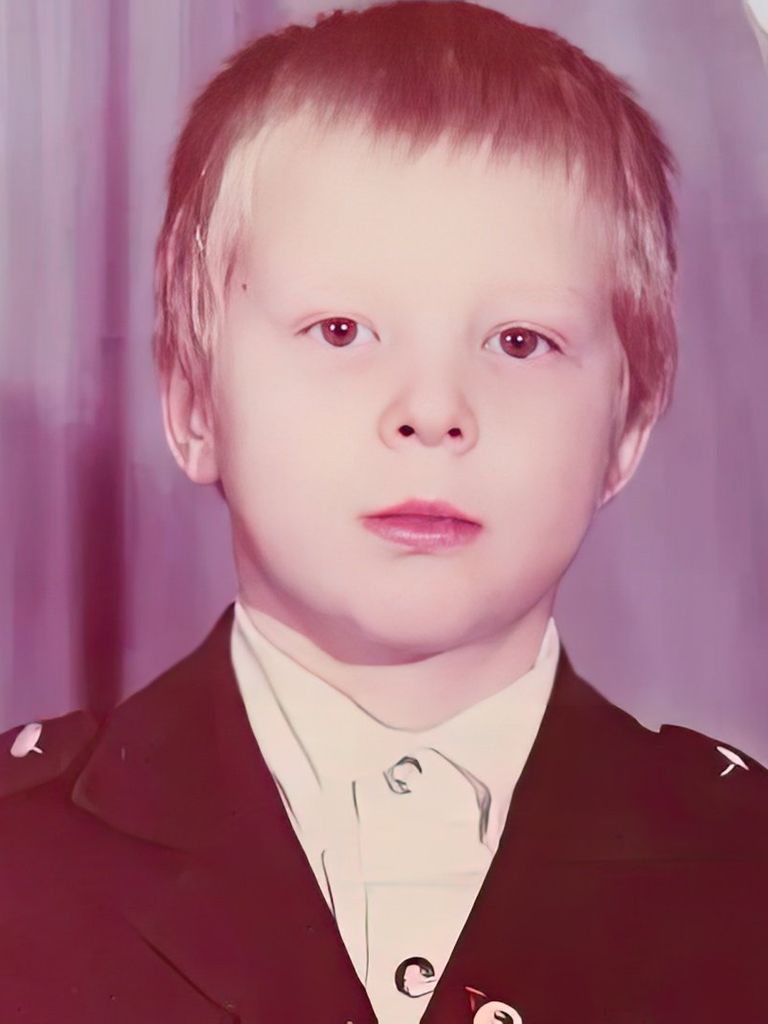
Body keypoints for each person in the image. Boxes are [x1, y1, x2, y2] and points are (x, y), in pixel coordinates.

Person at [1, 2, 766, 1021]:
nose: (433, 410)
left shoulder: (744, 873)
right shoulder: (20, 862)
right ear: (193, 406)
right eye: (341, 329)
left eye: (520, 341)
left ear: (626, 429)